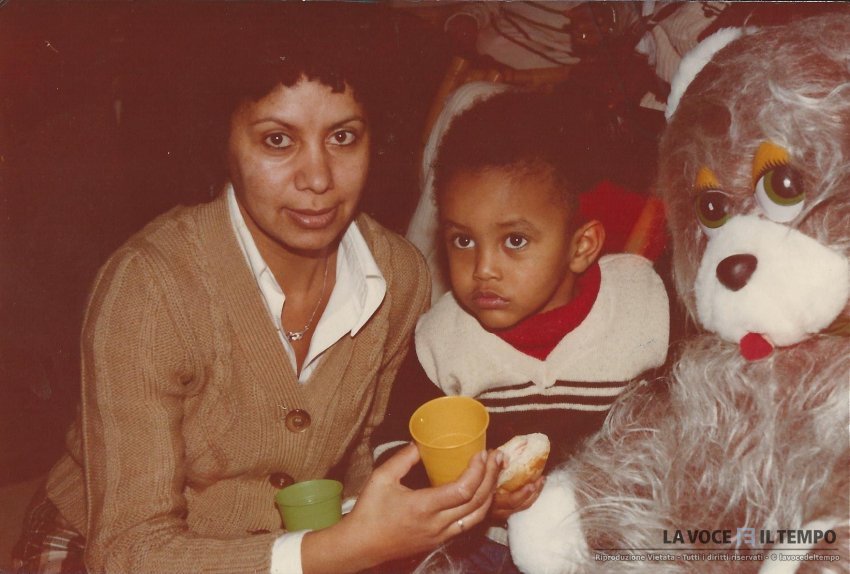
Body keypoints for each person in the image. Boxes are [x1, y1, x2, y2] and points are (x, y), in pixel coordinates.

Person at [12, 8, 503, 574]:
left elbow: (368, 462)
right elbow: (126, 550)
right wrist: (342, 549)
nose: (318, 179)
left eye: (343, 137)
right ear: (223, 143)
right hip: (103, 543)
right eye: (277, 140)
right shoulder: (149, 289)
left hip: (292, 546)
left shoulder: (399, 276)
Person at [373, 88, 670, 573]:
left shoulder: (646, 305)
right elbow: (394, 455)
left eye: (514, 240)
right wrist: (469, 498)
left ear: (580, 247)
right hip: (488, 545)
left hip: (622, 538)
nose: (483, 268)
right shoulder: (442, 341)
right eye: (462, 240)